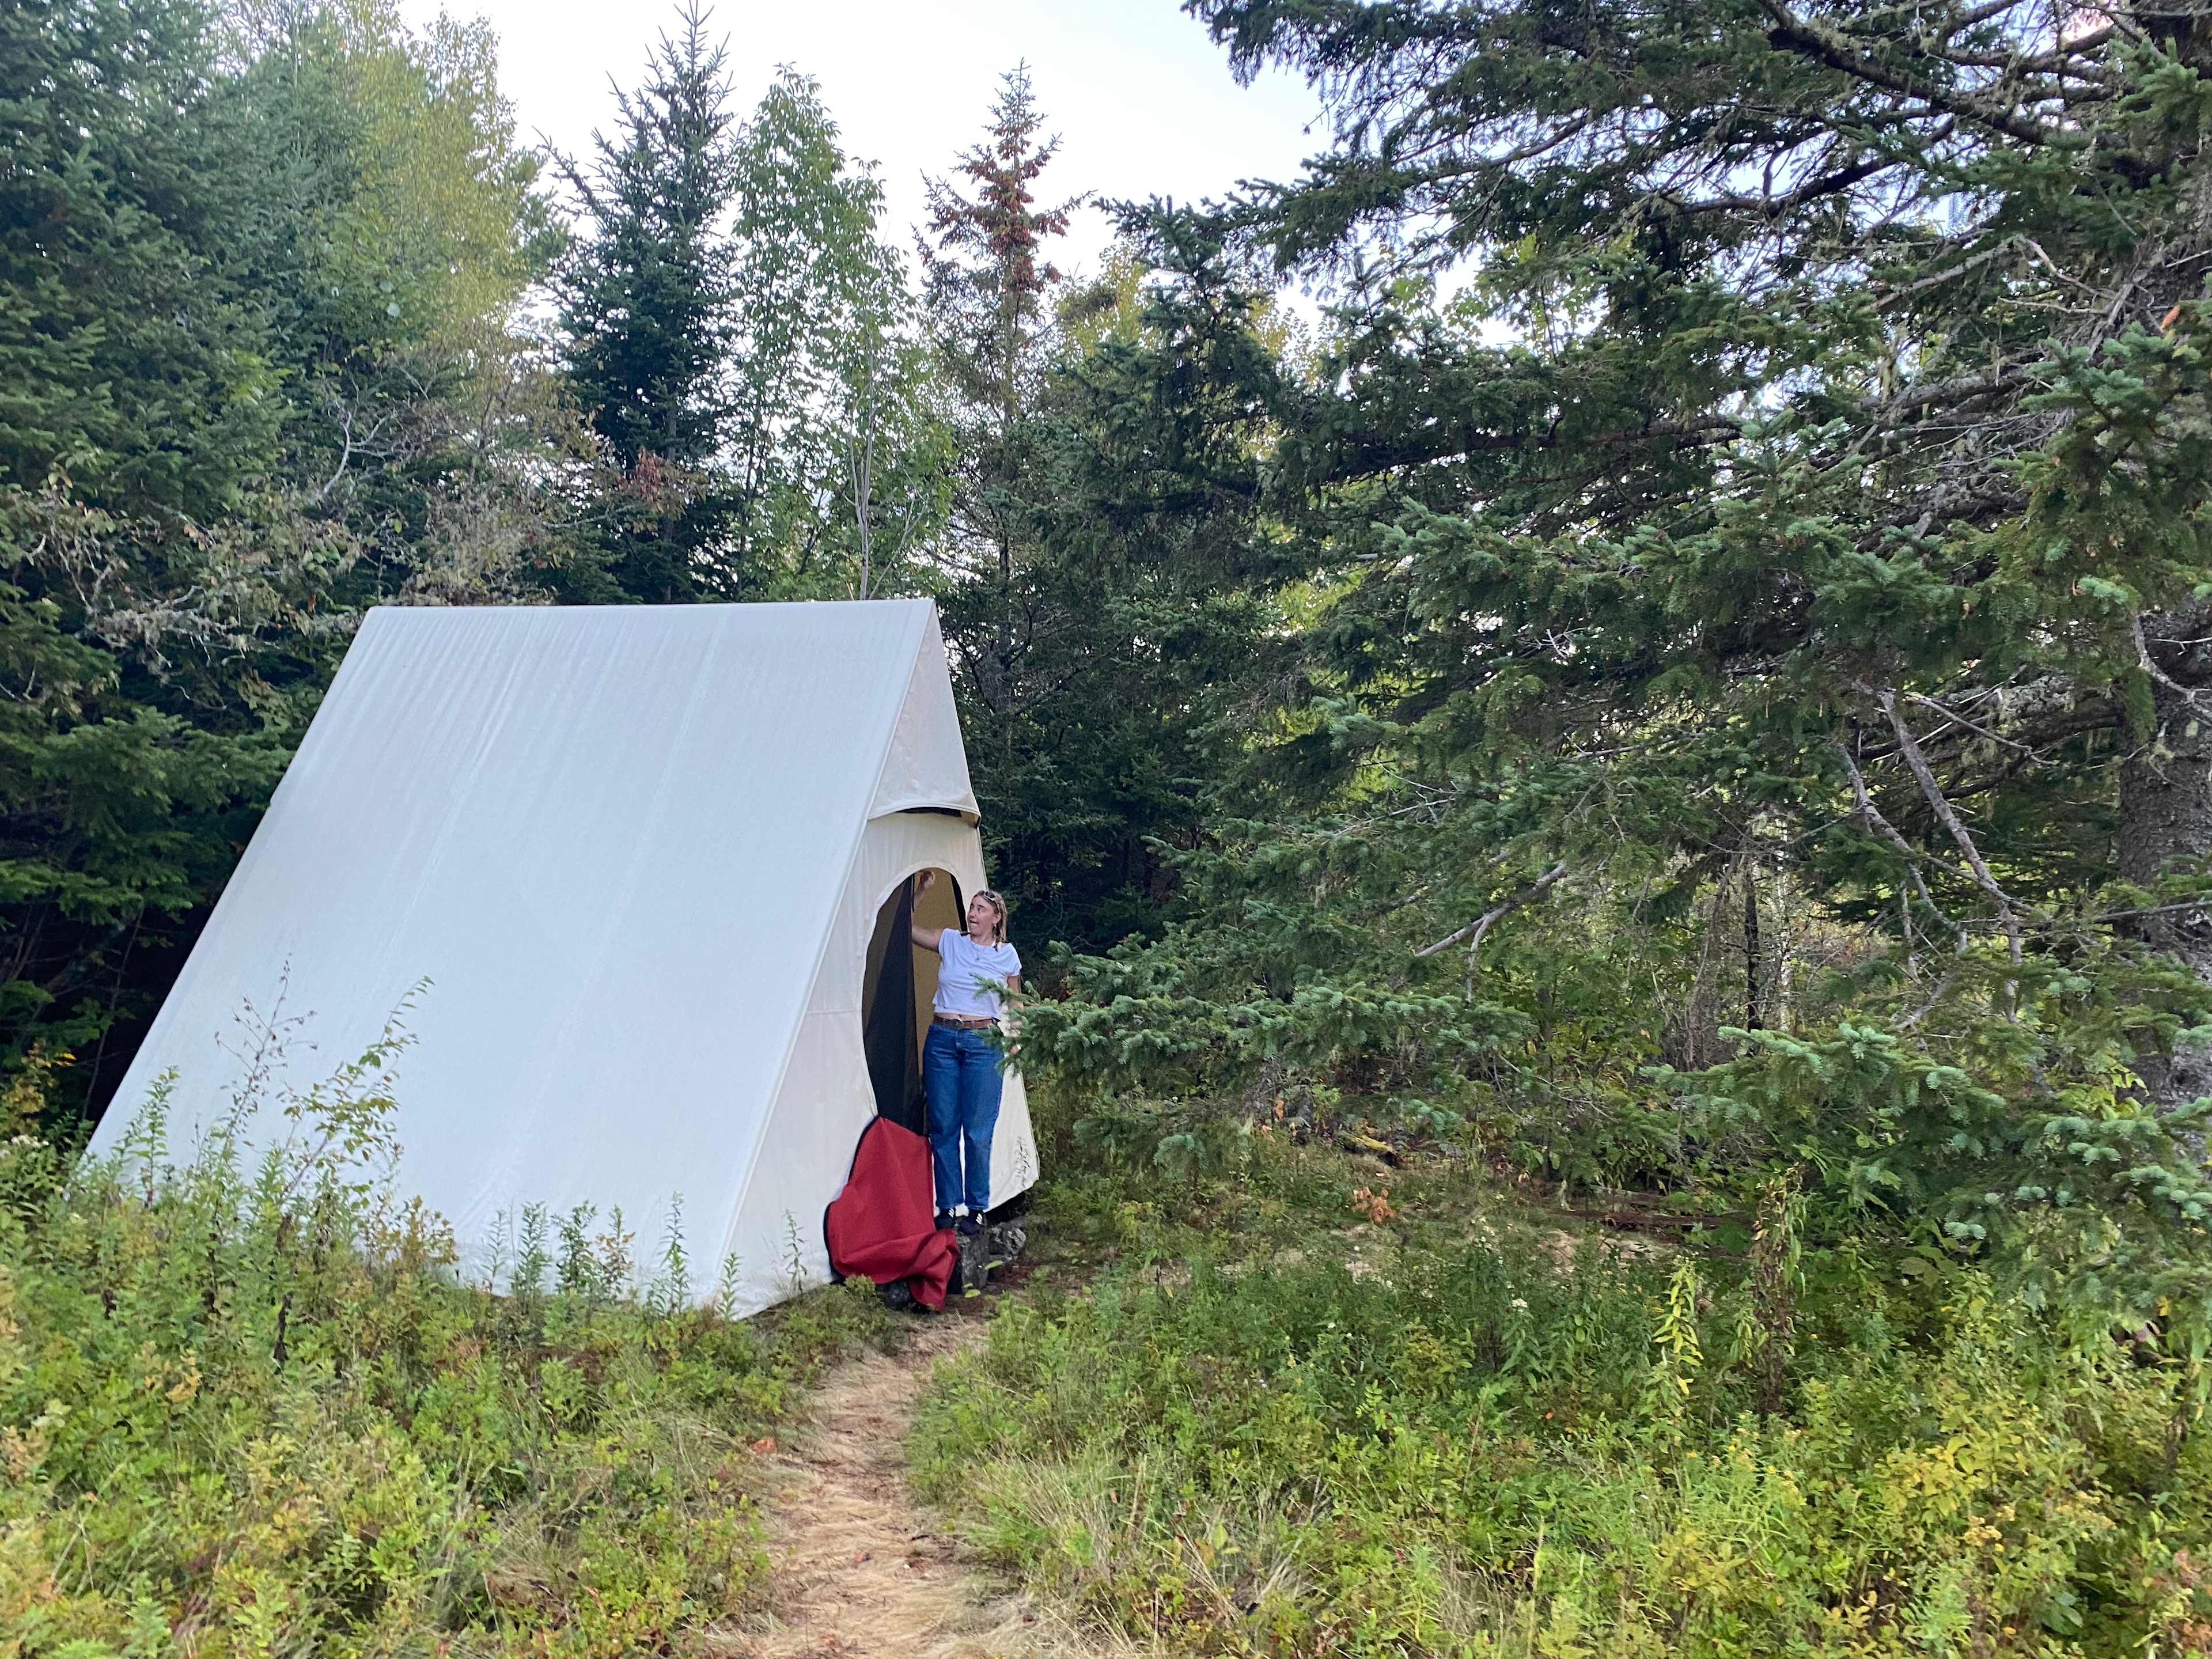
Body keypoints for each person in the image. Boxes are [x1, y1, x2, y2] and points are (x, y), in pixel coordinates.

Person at [910, 870, 1018, 1236]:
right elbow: (905, 929)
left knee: (977, 1130)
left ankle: (976, 1208)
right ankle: (947, 1206)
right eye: (971, 907)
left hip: (982, 1042)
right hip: (942, 1037)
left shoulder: (1006, 955)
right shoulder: (949, 941)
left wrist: (1016, 1035)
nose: (972, 914)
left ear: (996, 917)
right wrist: (922, 891)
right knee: (943, 1125)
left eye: (980, 909)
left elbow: (1014, 1000)